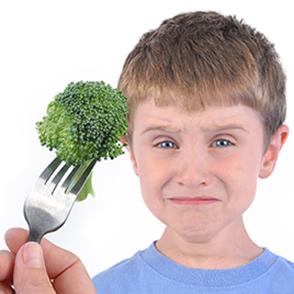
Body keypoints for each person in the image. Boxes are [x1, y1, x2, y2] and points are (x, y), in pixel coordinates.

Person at [1, 10, 293, 293]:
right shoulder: (89, 290)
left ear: (270, 151)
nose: (192, 175)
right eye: (166, 143)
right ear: (132, 153)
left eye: (222, 142)